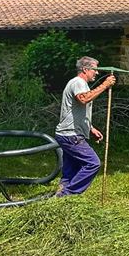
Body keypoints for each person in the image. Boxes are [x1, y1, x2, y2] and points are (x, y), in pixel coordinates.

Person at [55, 56, 116, 196]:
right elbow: (84, 99)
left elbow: (77, 111)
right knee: (93, 163)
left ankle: (61, 194)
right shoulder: (78, 82)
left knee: (71, 168)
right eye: (95, 69)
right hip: (71, 135)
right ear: (85, 69)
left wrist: (90, 128)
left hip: (68, 134)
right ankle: (67, 194)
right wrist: (105, 85)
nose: (97, 73)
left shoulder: (80, 84)